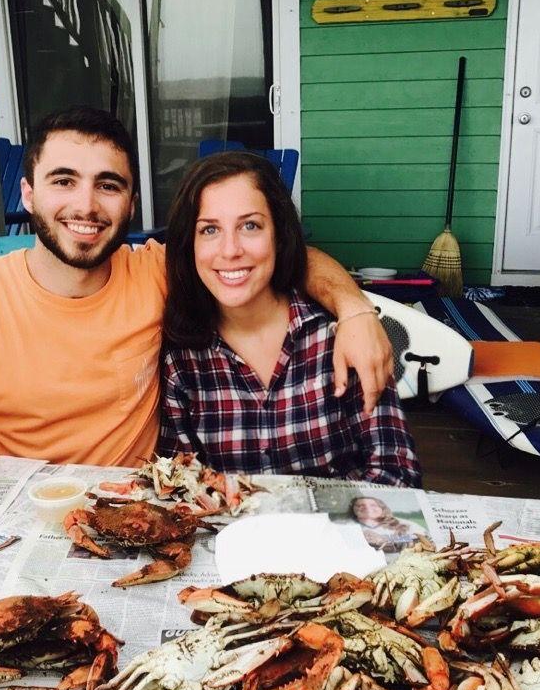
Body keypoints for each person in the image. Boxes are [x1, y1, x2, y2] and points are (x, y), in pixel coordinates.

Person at [0, 107, 393, 480]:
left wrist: (354, 310)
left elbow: (278, 257)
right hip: (21, 511)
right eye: (64, 181)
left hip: (140, 507)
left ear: (131, 202)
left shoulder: (159, 271)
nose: (86, 206)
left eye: (108, 185)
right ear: (28, 192)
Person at [158, 151, 421, 487]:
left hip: (345, 533)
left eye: (250, 225)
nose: (230, 250)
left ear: (279, 236)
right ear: (189, 244)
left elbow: (397, 473)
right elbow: (180, 483)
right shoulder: (184, 359)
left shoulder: (337, 334)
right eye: (209, 230)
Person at [349, 495, 420, 553]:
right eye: (360, 505)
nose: (367, 507)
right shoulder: (350, 527)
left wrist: (384, 540)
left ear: (382, 508)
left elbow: (420, 539)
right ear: (353, 510)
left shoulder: (403, 523)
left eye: (373, 505)